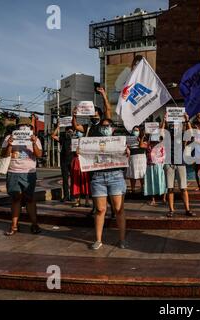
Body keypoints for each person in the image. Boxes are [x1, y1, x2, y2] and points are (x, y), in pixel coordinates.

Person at [72, 88, 129, 250]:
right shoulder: (89, 129)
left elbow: (108, 110)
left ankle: (122, 239)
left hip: (115, 175)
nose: (104, 127)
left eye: (107, 125)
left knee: (118, 209)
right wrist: (80, 152)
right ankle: (98, 239)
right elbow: (76, 127)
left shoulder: (115, 138)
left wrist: (104, 95)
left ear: (111, 128)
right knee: (100, 209)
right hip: (97, 176)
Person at [1, 117, 43, 236]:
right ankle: (14, 226)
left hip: (29, 173)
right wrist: (9, 145)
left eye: (26, 126)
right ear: (17, 128)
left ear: (30, 128)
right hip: (13, 171)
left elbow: (39, 154)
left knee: (30, 199)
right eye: (21, 126)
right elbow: (4, 154)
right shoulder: (9, 138)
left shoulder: (35, 139)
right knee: (15, 198)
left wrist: (34, 143)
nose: (23, 128)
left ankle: (34, 224)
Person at [161, 113, 195, 217]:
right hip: (169, 164)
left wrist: (187, 120)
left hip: (181, 164)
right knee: (170, 188)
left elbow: (192, 134)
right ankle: (171, 210)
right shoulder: (166, 138)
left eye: (177, 127)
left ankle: (187, 209)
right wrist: (164, 120)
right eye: (173, 127)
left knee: (183, 188)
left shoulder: (183, 137)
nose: (175, 128)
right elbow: (161, 133)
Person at [141, 131, 166, 206]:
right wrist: (143, 137)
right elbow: (141, 145)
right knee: (151, 182)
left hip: (159, 166)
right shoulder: (148, 145)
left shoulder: (161, 145)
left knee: (162, 181)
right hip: (150, 166)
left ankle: (164, 199)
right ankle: (153, 200)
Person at [51, 124, 73, 202]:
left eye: (71, 130)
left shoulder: (75, 139)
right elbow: (53, 136)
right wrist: (58, 127)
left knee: (73, 179)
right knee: (65, 179)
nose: (69, 132)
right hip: (64, 161)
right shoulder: (63, 138)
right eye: (68, 130)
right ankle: (66, 196)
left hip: (73, 161)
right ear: (66, 131)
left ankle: (73, 196)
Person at [70, 130, 91, 208]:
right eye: (77, 131)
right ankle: (77, 200)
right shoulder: (74, 141)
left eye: (80, 131)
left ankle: (87, 200)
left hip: (85, 161)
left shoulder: (87, 141)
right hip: (76, 162)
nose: (78, 133)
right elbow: (72, 151)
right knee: (76, 181)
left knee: (85, 181)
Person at [126, 126, 147, 194]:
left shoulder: (144, 138)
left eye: (137, 130)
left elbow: (143, 146)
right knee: (133, 174)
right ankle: (133, 189)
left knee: (142, 174)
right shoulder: (129, 138)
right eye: (134, 130)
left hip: (141, 158)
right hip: (132, 157)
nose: (135, 131)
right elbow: (127, 146)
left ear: (140, 131)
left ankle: (143, 188)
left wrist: (141, 139)